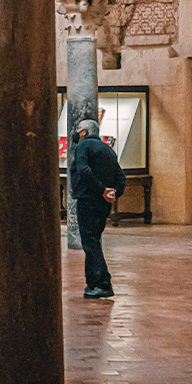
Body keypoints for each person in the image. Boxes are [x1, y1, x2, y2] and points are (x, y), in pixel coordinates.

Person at [69, 119, 125, 299]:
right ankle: (91, 283)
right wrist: (114, 192)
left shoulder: (83, 147)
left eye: (78, 129)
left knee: (90, 242)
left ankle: (103, 284)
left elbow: (84, 170)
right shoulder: (107, 149)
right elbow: (120, 175)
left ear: (84, 132)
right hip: (103, 204)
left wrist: (101, 190)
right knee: (93, 241)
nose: (77, 133)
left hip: (88, 200)